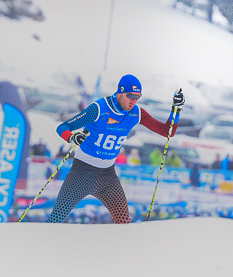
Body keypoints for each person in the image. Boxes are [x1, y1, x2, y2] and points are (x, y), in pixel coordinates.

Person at [46, 76, 184, 224]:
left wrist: (176, 110)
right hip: (82, 173)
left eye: (137, 97)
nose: (134, 101)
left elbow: (166, 131)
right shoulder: (99, 109)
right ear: (119, 92)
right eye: (130, 96)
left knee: (124, 223)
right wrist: (72, 138)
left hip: (108, 176)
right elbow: (63, 127)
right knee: (55, 219)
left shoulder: (136, 113)